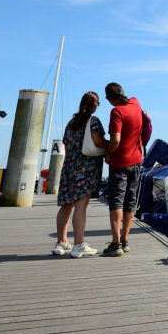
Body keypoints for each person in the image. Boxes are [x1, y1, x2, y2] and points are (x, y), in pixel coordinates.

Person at [52, 92, 106, 258]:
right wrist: (111, 146)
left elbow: (66, 147)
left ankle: (61, 242)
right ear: (94, 104)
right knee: (81, 205)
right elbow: (98, 142)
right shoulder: (93, 122)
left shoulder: (71, 123)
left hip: (69, 166)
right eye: (98, 102)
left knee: (66, 205)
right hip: (86, 168)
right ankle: (79, 244)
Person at [103, 81, 143, 257]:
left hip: (120, 162)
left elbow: (115, 140)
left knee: (116, 201)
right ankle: (125, 239)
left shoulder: (116, 111)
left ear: (110, 98)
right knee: (130, 201)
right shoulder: (135, 103)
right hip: (136, 161)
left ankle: (115, 242)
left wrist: (107, 154)